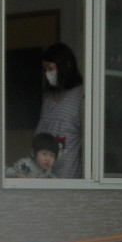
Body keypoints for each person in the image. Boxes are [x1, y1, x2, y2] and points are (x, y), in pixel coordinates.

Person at [35, 42, 83, 179]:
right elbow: (42, 126)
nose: (47, 73)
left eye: (50, 68)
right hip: (44, 168)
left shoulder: (81, 95)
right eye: (45, 69)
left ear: (66, 66)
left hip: (68, 170)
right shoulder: (49, 96)